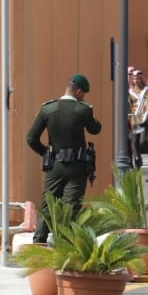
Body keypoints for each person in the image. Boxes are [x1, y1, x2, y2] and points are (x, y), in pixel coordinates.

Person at [24, 74, 102, 243]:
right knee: (71, 207)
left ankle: (38, 243)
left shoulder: (47, 109)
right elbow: (95, 129)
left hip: (54, 165)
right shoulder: (83, 110)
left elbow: (31, 138)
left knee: (47, 206)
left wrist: (46, 153)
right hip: (77, 167)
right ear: (79, 91)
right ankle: (65, 245)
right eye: (84, 94)